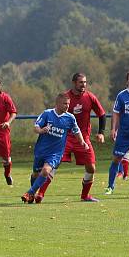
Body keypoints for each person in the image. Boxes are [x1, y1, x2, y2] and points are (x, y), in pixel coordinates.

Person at [34, 73, 107, 203]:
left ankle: (85, 196)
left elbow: (102, 114)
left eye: (85, 82)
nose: (83, 85)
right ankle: (40, 194)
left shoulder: (90, 97)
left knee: (91, 168)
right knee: (53, 165)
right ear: (74, 83)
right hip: (65, 138)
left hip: (82, 138)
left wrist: (101, 132)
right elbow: (55, 114)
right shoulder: (66, 98)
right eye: (81, 82)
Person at [21, 93, 89, 204]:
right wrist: (41, 130)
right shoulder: (47, 114)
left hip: (55, 153)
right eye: (65, 104)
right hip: (41, 150)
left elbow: (76, 131)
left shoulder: (70, 118)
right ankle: (32, 194)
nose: (67, 106)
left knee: (46, 171)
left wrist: (82, 142)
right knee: (35, 174)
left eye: (68, 104)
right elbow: (36, 127)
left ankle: (29, 193)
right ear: (57, 103)